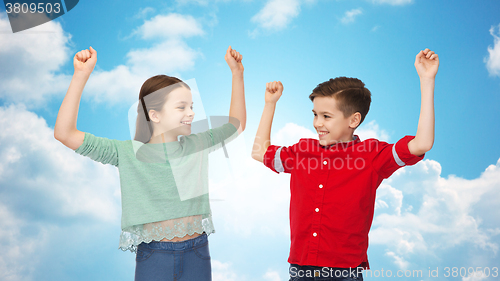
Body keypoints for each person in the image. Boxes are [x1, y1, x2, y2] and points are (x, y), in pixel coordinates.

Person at [54, 45, 246, 281]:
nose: (191, 113)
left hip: (198, 252)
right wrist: (81, 75)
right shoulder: (125, 152)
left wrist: (237, 75)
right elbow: (64, 133)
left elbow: (236, 125)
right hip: (154, 256)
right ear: (154, 115)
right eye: (181, 107)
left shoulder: (198, 144)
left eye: (191, 106)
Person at [252, 48, 438, 281]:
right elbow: (259, 152)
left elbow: (422, 144)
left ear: (354, 120)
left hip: (345, 274)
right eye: (315, 114)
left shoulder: (372, 155)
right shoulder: (302, 151)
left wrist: (427, 80)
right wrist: (270, 104)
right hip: (299, 271)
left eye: (326, 116)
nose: (317, 123)